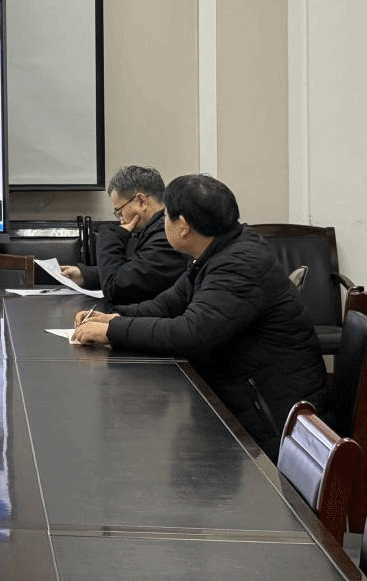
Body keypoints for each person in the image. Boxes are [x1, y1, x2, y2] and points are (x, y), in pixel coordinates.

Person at [72, 174, 326, 460]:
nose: (163, 222)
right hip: (243, 396)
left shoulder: (239, 264)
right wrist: (112, 318)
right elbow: (168, 304)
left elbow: (191, 333)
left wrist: (113, 331)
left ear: (184, 226)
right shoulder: (218, 250)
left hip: (274, 423)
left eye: (166, 216)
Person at [63, 166, 187, 304]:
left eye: (120, 212)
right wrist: (85, 275)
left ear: (141, 201)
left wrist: (113, 235)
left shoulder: (166, 239)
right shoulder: (151, 230)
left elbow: (115, 289)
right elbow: (130, 271)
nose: (121, 220)